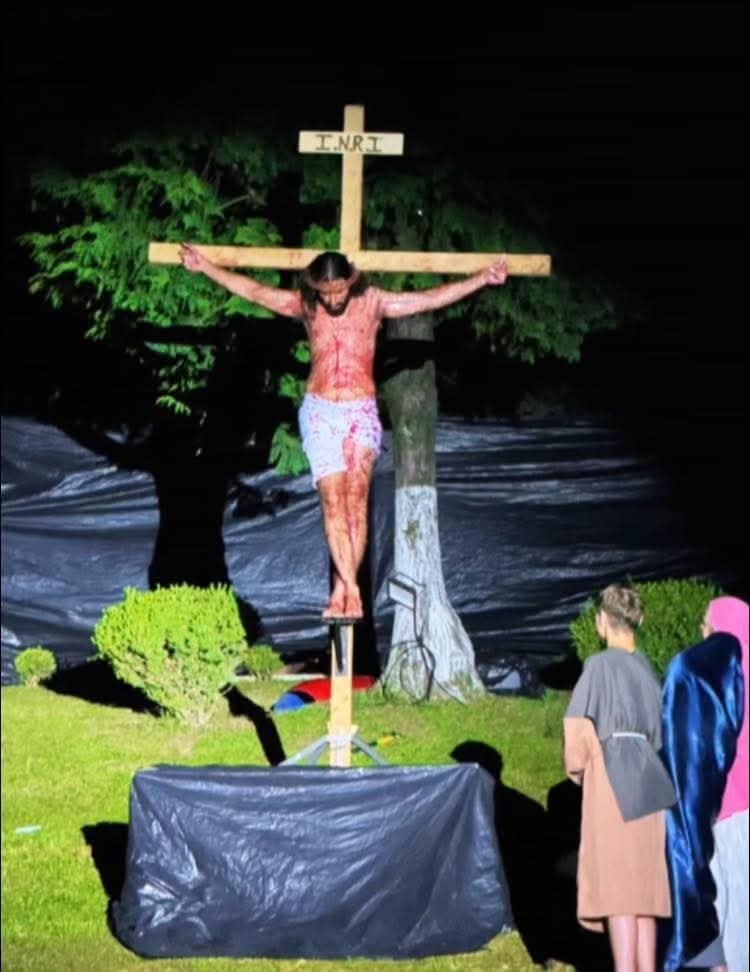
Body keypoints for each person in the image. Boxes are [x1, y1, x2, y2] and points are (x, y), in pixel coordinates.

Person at [179, 245, 508, 619]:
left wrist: (482, 278)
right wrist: (204, 266)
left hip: (359, 410)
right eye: (326, 291)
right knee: (332, 500)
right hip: (321, 411)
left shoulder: (373, 303)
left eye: (339, 290)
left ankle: (344, 587)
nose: (333, 298)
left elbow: (426, 299)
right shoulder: (306, 306)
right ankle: (349, 588)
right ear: (315, 286)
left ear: (351, 282)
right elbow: (254, 291)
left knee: (355, 500)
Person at [563, 583, 675, 972]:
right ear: (637, 620)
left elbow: (576, 727)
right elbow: (661, 733)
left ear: (601, 622)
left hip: (613, 779)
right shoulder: (649, 669)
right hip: (651, 781)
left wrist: (581, 768)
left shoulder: (598, 666)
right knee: (643, 894)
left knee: (619, 891)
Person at [660, 596, 747, 972]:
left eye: (706, 624)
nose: (702, 632)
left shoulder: (711, 678)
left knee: (732, 921)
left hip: (730, 817)